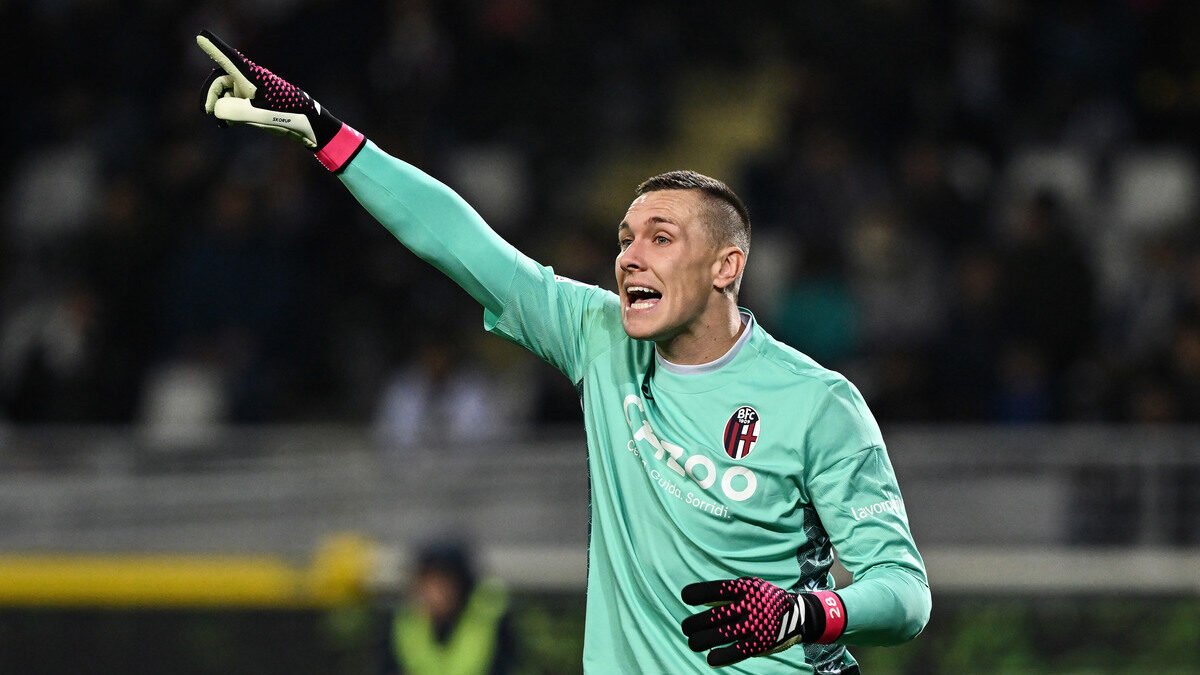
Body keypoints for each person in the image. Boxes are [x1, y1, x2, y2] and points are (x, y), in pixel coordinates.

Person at [196, 30, 930, 674]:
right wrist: (323, 130)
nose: (630, 256)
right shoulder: (598, 336)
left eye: (661, 238)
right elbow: (460, 241)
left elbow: (905, 594)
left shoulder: (816, 403)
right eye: (625, 238)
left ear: (725, 266)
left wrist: (805, 613)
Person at [381, 542, 514, 675]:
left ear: (461, 586)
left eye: (442, 585)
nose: (434, 595)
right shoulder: (402, 623)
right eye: (428, 585)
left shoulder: (489, 619)